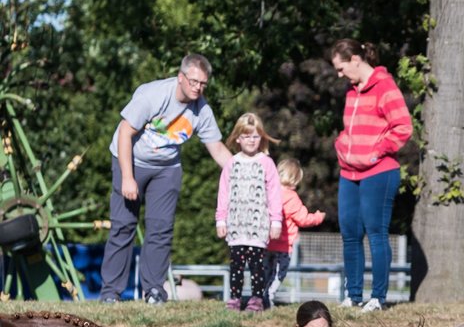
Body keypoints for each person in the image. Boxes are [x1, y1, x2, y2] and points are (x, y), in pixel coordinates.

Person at [101, 54, 232, 304]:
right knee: (124, 226)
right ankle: (110, 293)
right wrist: (128, 178)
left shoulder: (202, 110)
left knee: (160, 229)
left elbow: (217, 150)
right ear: (180, 78)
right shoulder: (154, 95)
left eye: (203, 83)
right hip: (130, 160)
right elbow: (125, 133)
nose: (197, 88)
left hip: (167, 168)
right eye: (193, 81)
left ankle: (153, 292)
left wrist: (247, 172)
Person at [330, 39, 412, 313]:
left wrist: (377, 151)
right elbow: (349, 130)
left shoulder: (385, 87)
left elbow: (403, 126)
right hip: (349, 171)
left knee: (376, 233)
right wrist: (342, 144)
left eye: (341, 68)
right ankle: (352, 295)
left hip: (379, 171)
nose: (339, 74)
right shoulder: (352, 91)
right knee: (350, 234)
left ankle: (378, 298)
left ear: (355, 59)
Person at [216, 113, 282, 312]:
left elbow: (274, 194)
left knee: (256, 265)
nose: (251, 141)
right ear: (238, 138)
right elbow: (224, 192)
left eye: (255, 136)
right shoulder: (231, 163)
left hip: (258, 225)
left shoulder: (266, 163)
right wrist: (221, 220)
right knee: (236, 264)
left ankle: (256, 299)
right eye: (246, 136)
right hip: (236, 225)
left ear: (261, 137)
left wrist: (276, 221)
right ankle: (235, 298)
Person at [264, 158, 327, 307]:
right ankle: (269, 296)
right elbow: (303, 219)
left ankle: (261, 295)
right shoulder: (292, 198)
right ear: (296, 179)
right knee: (279, 274)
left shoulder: (268, 192)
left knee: (265, 272)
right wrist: (318, 217)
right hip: (284, 247)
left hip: (266, 243)